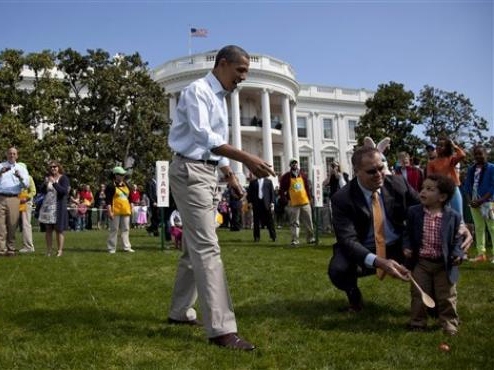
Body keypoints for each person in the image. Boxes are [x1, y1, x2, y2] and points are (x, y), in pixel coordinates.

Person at [167, 45, 275, 351]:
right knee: (207, 248)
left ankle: (179, 311)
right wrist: (247, 159)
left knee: (194, 246)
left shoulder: (220, 97)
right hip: (190, 171)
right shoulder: (196, 91)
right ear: (223, 64)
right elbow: (205, 138)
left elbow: (216, 143)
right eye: (240, 71)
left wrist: (228, 175)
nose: (243, 77)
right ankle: (221, 330)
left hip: (208, 172)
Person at [327, 146, 472, 312]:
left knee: (435, 253)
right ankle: (354, 298)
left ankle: (435, 298)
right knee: (338, 270)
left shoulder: (397, 183)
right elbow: (347, 240)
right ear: (356, 171)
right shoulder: (342, 198)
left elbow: (429, 206)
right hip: (363, 247)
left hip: (399, 245)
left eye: (381, 168)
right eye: (371, 171)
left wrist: (459, 225)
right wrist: (378, 261)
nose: (379, 174)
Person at [403, 174, 464, 335]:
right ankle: (417, 323)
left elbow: (457, 239)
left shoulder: (453, 216)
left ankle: (449, 323)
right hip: (421, 263)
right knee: (418, 294)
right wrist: (407, 246)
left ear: (442, 197)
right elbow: (407, 233)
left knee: (447, 296)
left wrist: (458, 253)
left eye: (429, 189)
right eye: (422, 188)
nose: (422, 192)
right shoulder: (414, 212)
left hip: (444, 265)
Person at [463, 145, 494, 263]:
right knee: (479, 227)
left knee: (492, 227)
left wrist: (482, 200)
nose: (478, 156)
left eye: (480, 153)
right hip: (474, 202)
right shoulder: (471, 169)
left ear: (486, 154)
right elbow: (466, 186)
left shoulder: (492, 168)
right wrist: (470, 200)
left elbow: (492, 187)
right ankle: (481, 253)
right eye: (476, 154)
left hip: (488, 202)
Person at [0, 147, 30, 256]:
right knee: (1, 226)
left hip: (14, 198)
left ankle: (11, 248)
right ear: (6, 155)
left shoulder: (21, 168)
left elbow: (26, 184)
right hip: (1, 197)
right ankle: (1, 249)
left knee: (12, 224)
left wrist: (20, 177)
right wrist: (0, 173)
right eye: (9, 153)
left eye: (14, 153)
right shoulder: (1, 166)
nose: (11, 155)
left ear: (17, 156)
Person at [279, 158, 315, 246]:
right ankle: (295, 239)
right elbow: (281, 190)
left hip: (305, 201)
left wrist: (310, 198)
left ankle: (310, 238)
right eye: (292, 163)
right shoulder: (286, 177)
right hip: (293, 203)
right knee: (294, 222)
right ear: (290, 165)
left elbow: (307, 188)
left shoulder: (303, 175)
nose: (294, 164)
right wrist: (285, 200)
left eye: (295, 163)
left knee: (308, 221)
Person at [426, 137, 466, 218]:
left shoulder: (451, 159)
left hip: (453, 188)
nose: (439, 147)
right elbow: (430, 178)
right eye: (437, 145)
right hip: (441, 191)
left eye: (442, 145)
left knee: (458, 214)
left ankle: (460, 228)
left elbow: (462, 155)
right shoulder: (431, 163)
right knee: (444, 215)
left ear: (446, 148)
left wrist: (454, 146)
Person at [38, 161, 70, 257]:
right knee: (48, 229)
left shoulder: (64, 178)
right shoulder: (48, 177)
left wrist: (54, 183)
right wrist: (44, 184)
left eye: (54, 167)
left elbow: (63, 191)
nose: (53, 169)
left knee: (59, 229)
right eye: (51, 167)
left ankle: (59, 250)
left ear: (59, 167)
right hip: (48, 207)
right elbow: (42, 191)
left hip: (58, 206)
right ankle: (49, 250)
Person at [105, 166, 135, 254]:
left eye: (123, 174)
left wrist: (131, 207)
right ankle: (111, 248)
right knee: (114, 229)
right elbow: (108, 201)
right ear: (115, 175)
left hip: (126, 210)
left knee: (126, 229)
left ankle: (127, 247)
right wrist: (109, 211)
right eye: (120, 174)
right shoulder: (110, 186)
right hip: (115, 211)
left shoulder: (127, 185)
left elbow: (130, 198)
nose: (122, 176)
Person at [247, 176, 276, 242]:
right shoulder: (253, 182)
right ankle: (256, 237)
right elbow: (249, 193)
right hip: (257, 203)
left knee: (270, 221)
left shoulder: (268, 181)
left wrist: (272, 202)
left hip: (266, 203)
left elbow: (272, 192)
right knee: (256, 221)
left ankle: (273, 236)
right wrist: (250, 202)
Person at [18, 163, 36, 253]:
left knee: (26, 225)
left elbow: (33, 191)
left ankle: (28, 246)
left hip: (26, 203)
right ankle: (8, 246)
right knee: (10, 224)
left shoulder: (29, 178)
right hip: (15, 202)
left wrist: (26, 197)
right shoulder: (14, 179)